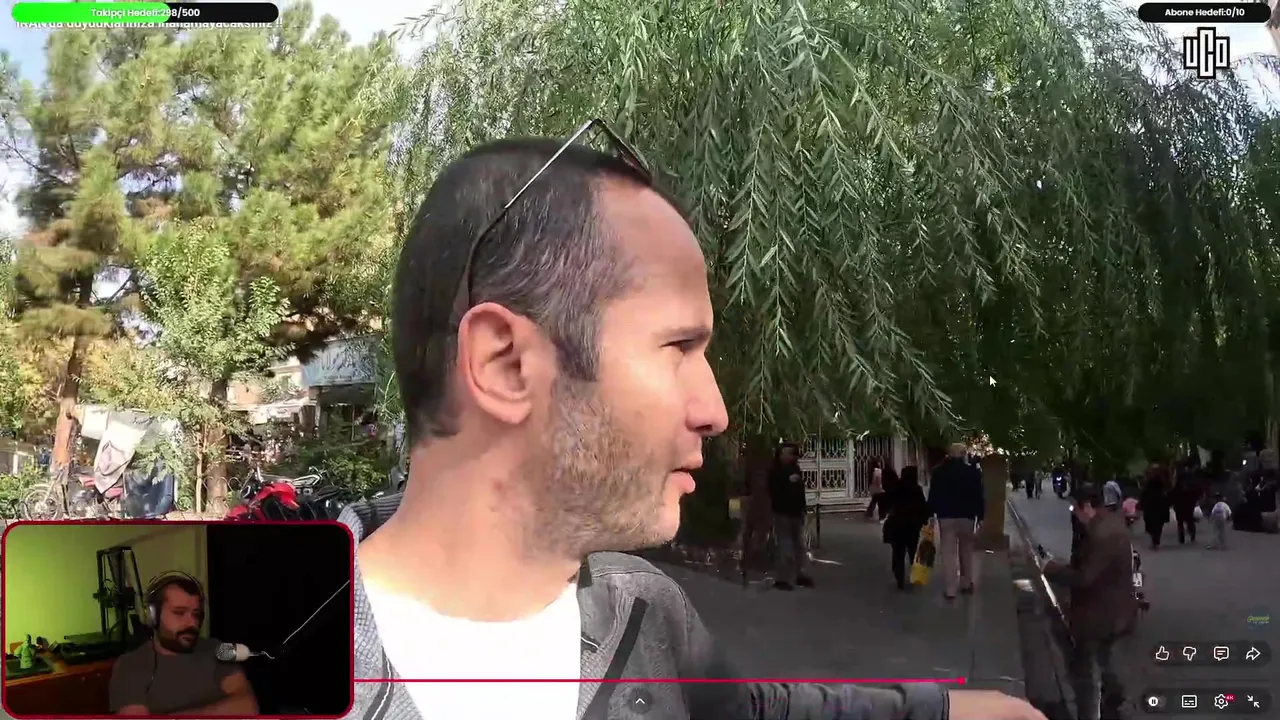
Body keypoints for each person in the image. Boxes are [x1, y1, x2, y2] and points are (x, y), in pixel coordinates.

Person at [339, 131, 1046, 720]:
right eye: (678, 347)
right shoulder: (279, 676)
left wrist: (946, 711)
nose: (716, 411)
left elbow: (749, 711)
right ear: (507, 365)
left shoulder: (643, 611)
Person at [1045, 485, 1140, 720]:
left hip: (1101, 612)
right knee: (1105, 659)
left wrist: (1051, 569)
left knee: (1088, 667)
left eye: (1075, 509)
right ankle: (1114, 699)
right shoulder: (1108, 525)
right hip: (1113, 609)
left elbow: (1085, 576)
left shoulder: (1102, 534)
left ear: (1086, 507)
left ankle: (1099, 706)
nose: (1074, 514)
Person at [109, 573, 258, 715]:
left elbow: (248, 707)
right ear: (153, 616)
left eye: (196, 614)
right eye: (179, 613)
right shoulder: (130, 665)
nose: (192, 623)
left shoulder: (217, 648)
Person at [928, 442, 985, 600]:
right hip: (967, 517)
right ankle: (966, 583)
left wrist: (931, 514)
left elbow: (933, 494)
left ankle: (950, 589)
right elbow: (978, 495)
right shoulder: (973, 472)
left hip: (946, 517)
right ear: (963, 454)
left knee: (948, 553)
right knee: (966, 551)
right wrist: (980, 516)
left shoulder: (939, 471)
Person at [768, 442, 814, 590]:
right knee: (785, 545)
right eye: (785, 453)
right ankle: (782, 578)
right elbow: (774, 492)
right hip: (782, 513)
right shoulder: (776, 471)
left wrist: (802, 508)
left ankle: (800, 574)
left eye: (791, 453)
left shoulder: (796, 469)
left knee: (800, 545)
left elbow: (800, 492)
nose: (788, 456)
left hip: (796, 513)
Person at [884, 465, 930, 590]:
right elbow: (923, 507)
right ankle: (915, 575)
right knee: (912, 551)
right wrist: (924, 520)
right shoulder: (917, 490)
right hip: (913, 526)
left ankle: (899, 575)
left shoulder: (897, 488)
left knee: (898, 552)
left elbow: (889, 502)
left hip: (897, 525)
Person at [1139, 467, 1170, 549]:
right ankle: (1155, 539)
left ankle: (1155, 540)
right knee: (1155, 523)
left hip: (1154, 503)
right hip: (1155, 503)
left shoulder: (1158, 481)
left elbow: (1143, 492)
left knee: (1153, 523)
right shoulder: (1158, 481)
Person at [1171, 468, 1201, 545]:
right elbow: (1196, 493)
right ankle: (1192, 535)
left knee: (1180, 522)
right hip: (1189, 505)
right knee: (1189, 520)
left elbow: (1173, 494)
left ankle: (1182, 537)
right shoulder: (1191, 484)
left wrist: (1173, 503)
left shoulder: (1177, 485)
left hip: (1179, 505)